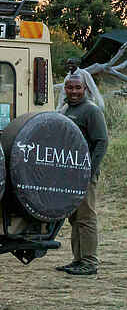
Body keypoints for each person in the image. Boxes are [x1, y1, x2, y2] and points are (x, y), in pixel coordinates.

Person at [58, 72, 108, 276]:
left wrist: (89, 170)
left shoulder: (91, 110)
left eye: (78, 88)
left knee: (86, 217)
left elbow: (101, 142)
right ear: (65, 89)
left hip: (84, 174)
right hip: (70, 174)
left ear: (85, 89)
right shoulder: (67, 109)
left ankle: (89, 262)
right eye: (70, 87)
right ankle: (78, 260)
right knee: (75, 218)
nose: (74, 91)